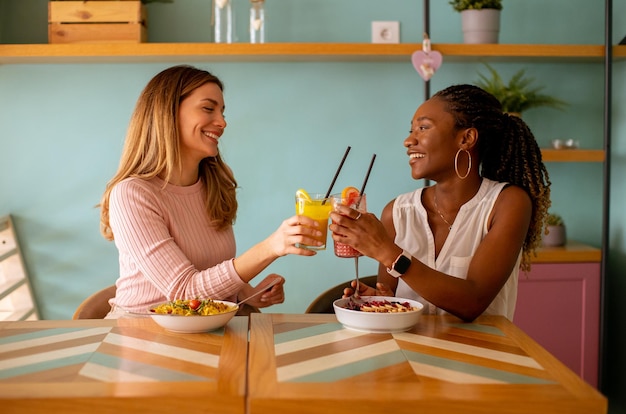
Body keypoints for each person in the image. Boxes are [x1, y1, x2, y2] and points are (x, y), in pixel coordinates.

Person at [99, 65, 324, 317]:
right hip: (142, 336)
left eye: (222, 111)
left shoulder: (213, 186)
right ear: (168, 113)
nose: (222, 122)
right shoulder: (133, 195)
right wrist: (270, 248)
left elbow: (207, 280)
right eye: (208, 108)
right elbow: (185, 293)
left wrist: (248, 294)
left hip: (203, 331)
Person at [330, 84, 551, 322]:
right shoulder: (397, 212)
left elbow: (472, 301)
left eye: (423, 128)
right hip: (411, 354)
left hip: (481, 356)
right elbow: (394, 301)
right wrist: (382, 301)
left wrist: (386, 251)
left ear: (466, 138)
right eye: (411, 130)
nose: (408, 140)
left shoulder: (507, 203)